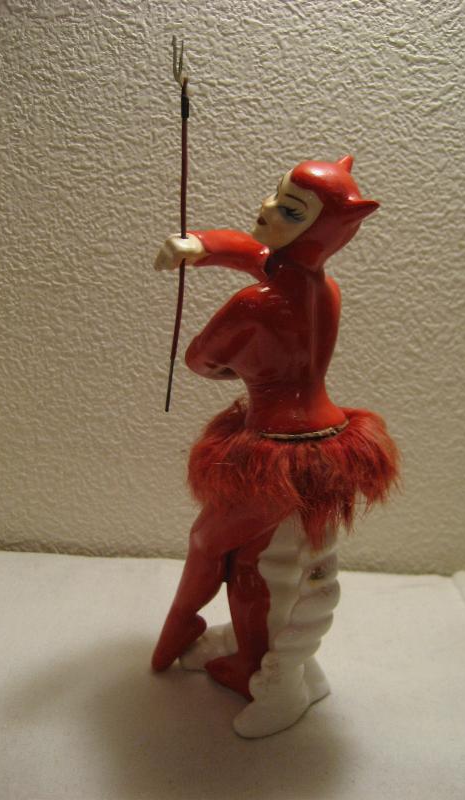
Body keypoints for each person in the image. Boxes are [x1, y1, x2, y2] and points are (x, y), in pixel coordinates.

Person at [152, 156, 398, 737]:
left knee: (232, 552)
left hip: (274, 448)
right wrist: (201, 245)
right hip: (326, 437)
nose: (266, 208)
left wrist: (242, 373)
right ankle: (268, 655)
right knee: (277, 557)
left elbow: (201, 360)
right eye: (276, 194)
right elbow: (257, 252)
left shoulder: (255, 304)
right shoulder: (326, 288)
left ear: (318, 229)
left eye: (289, 209)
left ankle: (253, 665)